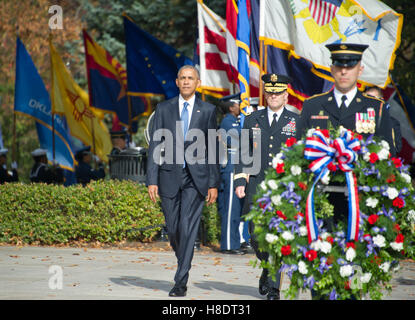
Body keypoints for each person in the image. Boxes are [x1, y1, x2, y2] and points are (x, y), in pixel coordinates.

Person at [146, 65, 220, 297]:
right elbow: (155, 145)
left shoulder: (208, 110)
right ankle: (183, 260)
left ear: (197, 82)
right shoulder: (164, 108)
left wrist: (213, 183)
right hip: (169, 176)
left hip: (196, 179)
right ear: (177, 82)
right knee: (174, 229)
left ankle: (180, 280)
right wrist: (152, 179)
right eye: (182, 78)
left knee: (188, 227)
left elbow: (213, 148)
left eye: (191, 78)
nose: (186, 82)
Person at [234, 73, 299, 300]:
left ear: (285, 95)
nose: (273, 96)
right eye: (270, 92)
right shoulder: (253, 119)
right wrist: (241, 180)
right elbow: (244, 152)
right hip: (258, 186)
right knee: (256, 236)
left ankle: (274, 287)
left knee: (278, 238)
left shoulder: (296, 122)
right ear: (265, 94)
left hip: (283, 188)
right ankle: (265, 266)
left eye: (278, 92)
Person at [296, 43, 395, 156]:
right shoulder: (312, 105)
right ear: (332, 70)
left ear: (360, 70)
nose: (343, 72)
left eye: (350, 67)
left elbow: (389, 155)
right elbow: (298, 149)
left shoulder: (377, 107)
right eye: (339, 67)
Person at [217, 95, 245, 255]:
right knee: (230, 207)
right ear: (231, 107)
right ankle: (228, 244)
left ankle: (235, 241)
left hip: (238, 163)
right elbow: (239, 138)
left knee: (237, 208)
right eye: (238, 104)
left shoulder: (235, 120)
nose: (240, 106)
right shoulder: (228, 121)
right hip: (231, 165)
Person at [364, 86, 402, 153]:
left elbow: (396, 147)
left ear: (381, 100)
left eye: (373, 99)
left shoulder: (392, 122)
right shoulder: (359, 119)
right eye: (366, 99)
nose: (369, 102)